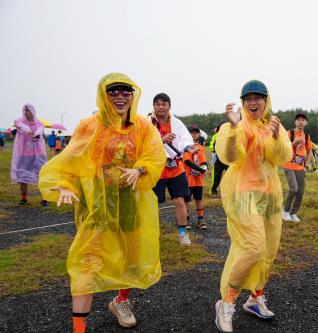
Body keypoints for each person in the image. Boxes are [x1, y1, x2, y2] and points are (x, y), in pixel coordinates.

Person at [38, 73, 166, 333]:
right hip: (97, 202)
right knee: (88, 261)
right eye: (113, 92)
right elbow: (71, 160)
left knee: (131, 258)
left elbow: (154, 155)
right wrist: (64, 183)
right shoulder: (89, 125)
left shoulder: (142, 126)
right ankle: (78, 328)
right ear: (103, 95)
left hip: (130, 200)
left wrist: (139, 170)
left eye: (125, 91)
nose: (120, 96)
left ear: (133, 95)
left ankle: (121, 301)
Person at [214, 80, 292, 333]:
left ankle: (255, 297)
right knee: (253, 247)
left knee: (269, 249)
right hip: (243, 194)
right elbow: (229, 156)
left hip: (270, 196)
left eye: (258, 97)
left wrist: (278, 136)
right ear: (243, 102)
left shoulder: (270, 127)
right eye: (248, 98)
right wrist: (236, 126)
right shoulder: (234, 126)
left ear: (266, 101)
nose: (253, 102)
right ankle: (226, 303)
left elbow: (281, 157)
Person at [149, 93, 198, 246]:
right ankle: (151, 234)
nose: (161, 107)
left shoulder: (176, 122)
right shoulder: (147, 122)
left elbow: (184, 138)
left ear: (169, 106)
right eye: (158, 104)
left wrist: (188, 147)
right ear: (154, 106)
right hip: (156, 166)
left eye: (164, 104)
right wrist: (160, 140)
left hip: (175, 166)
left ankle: (183, 234)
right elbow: (143, 141)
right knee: (152, 202)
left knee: (180, 200)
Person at [11, 103, 48, 206]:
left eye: (28, 110)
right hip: (24, 153)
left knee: (41, 175)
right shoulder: (19, 121)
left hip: (38, 154)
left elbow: (40, 131)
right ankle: (24, 198)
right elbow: (21, 126)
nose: (26, 113)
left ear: (33, 111)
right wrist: (28, 131)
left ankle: (44, 199)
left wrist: (36, 134)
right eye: (25, 111)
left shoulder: (39, 123)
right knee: (22, 175)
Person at [282, 112, 312, 223]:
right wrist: (294, 143)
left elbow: (309, 152)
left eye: (303, 120)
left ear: (306, 123)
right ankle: (285, 211)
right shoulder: (289, 133)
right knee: (293, 189)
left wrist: (306, 165)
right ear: (295, 122)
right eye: (298, 120)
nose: (300, 122)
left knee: (301, 192)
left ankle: (293, 213)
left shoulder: (307, 136)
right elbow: (283, 148)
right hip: (288, 165)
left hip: (300, 167)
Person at [183, 124, 211, 229]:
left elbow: (203, 161)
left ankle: (201, 219)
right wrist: (202, 170)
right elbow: (187, 162)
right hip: (187, 179)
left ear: (199, 134)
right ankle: (186, 220)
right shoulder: (186, 147)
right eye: (192, 133)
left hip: (198, 179)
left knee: (199, 199)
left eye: (196, 132)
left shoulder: (200, 148)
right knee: (186, 200)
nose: (194, 135)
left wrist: (206, 169)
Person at [210, 122, 229, 196]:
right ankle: (214, 190)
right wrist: (214, 150)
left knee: (230, 176)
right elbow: (212, 145)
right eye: (221, 127)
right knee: (217, 176)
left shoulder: (230, 135)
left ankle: (229, 191)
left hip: (228, 160)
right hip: (219, 159)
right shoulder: (216, 135)